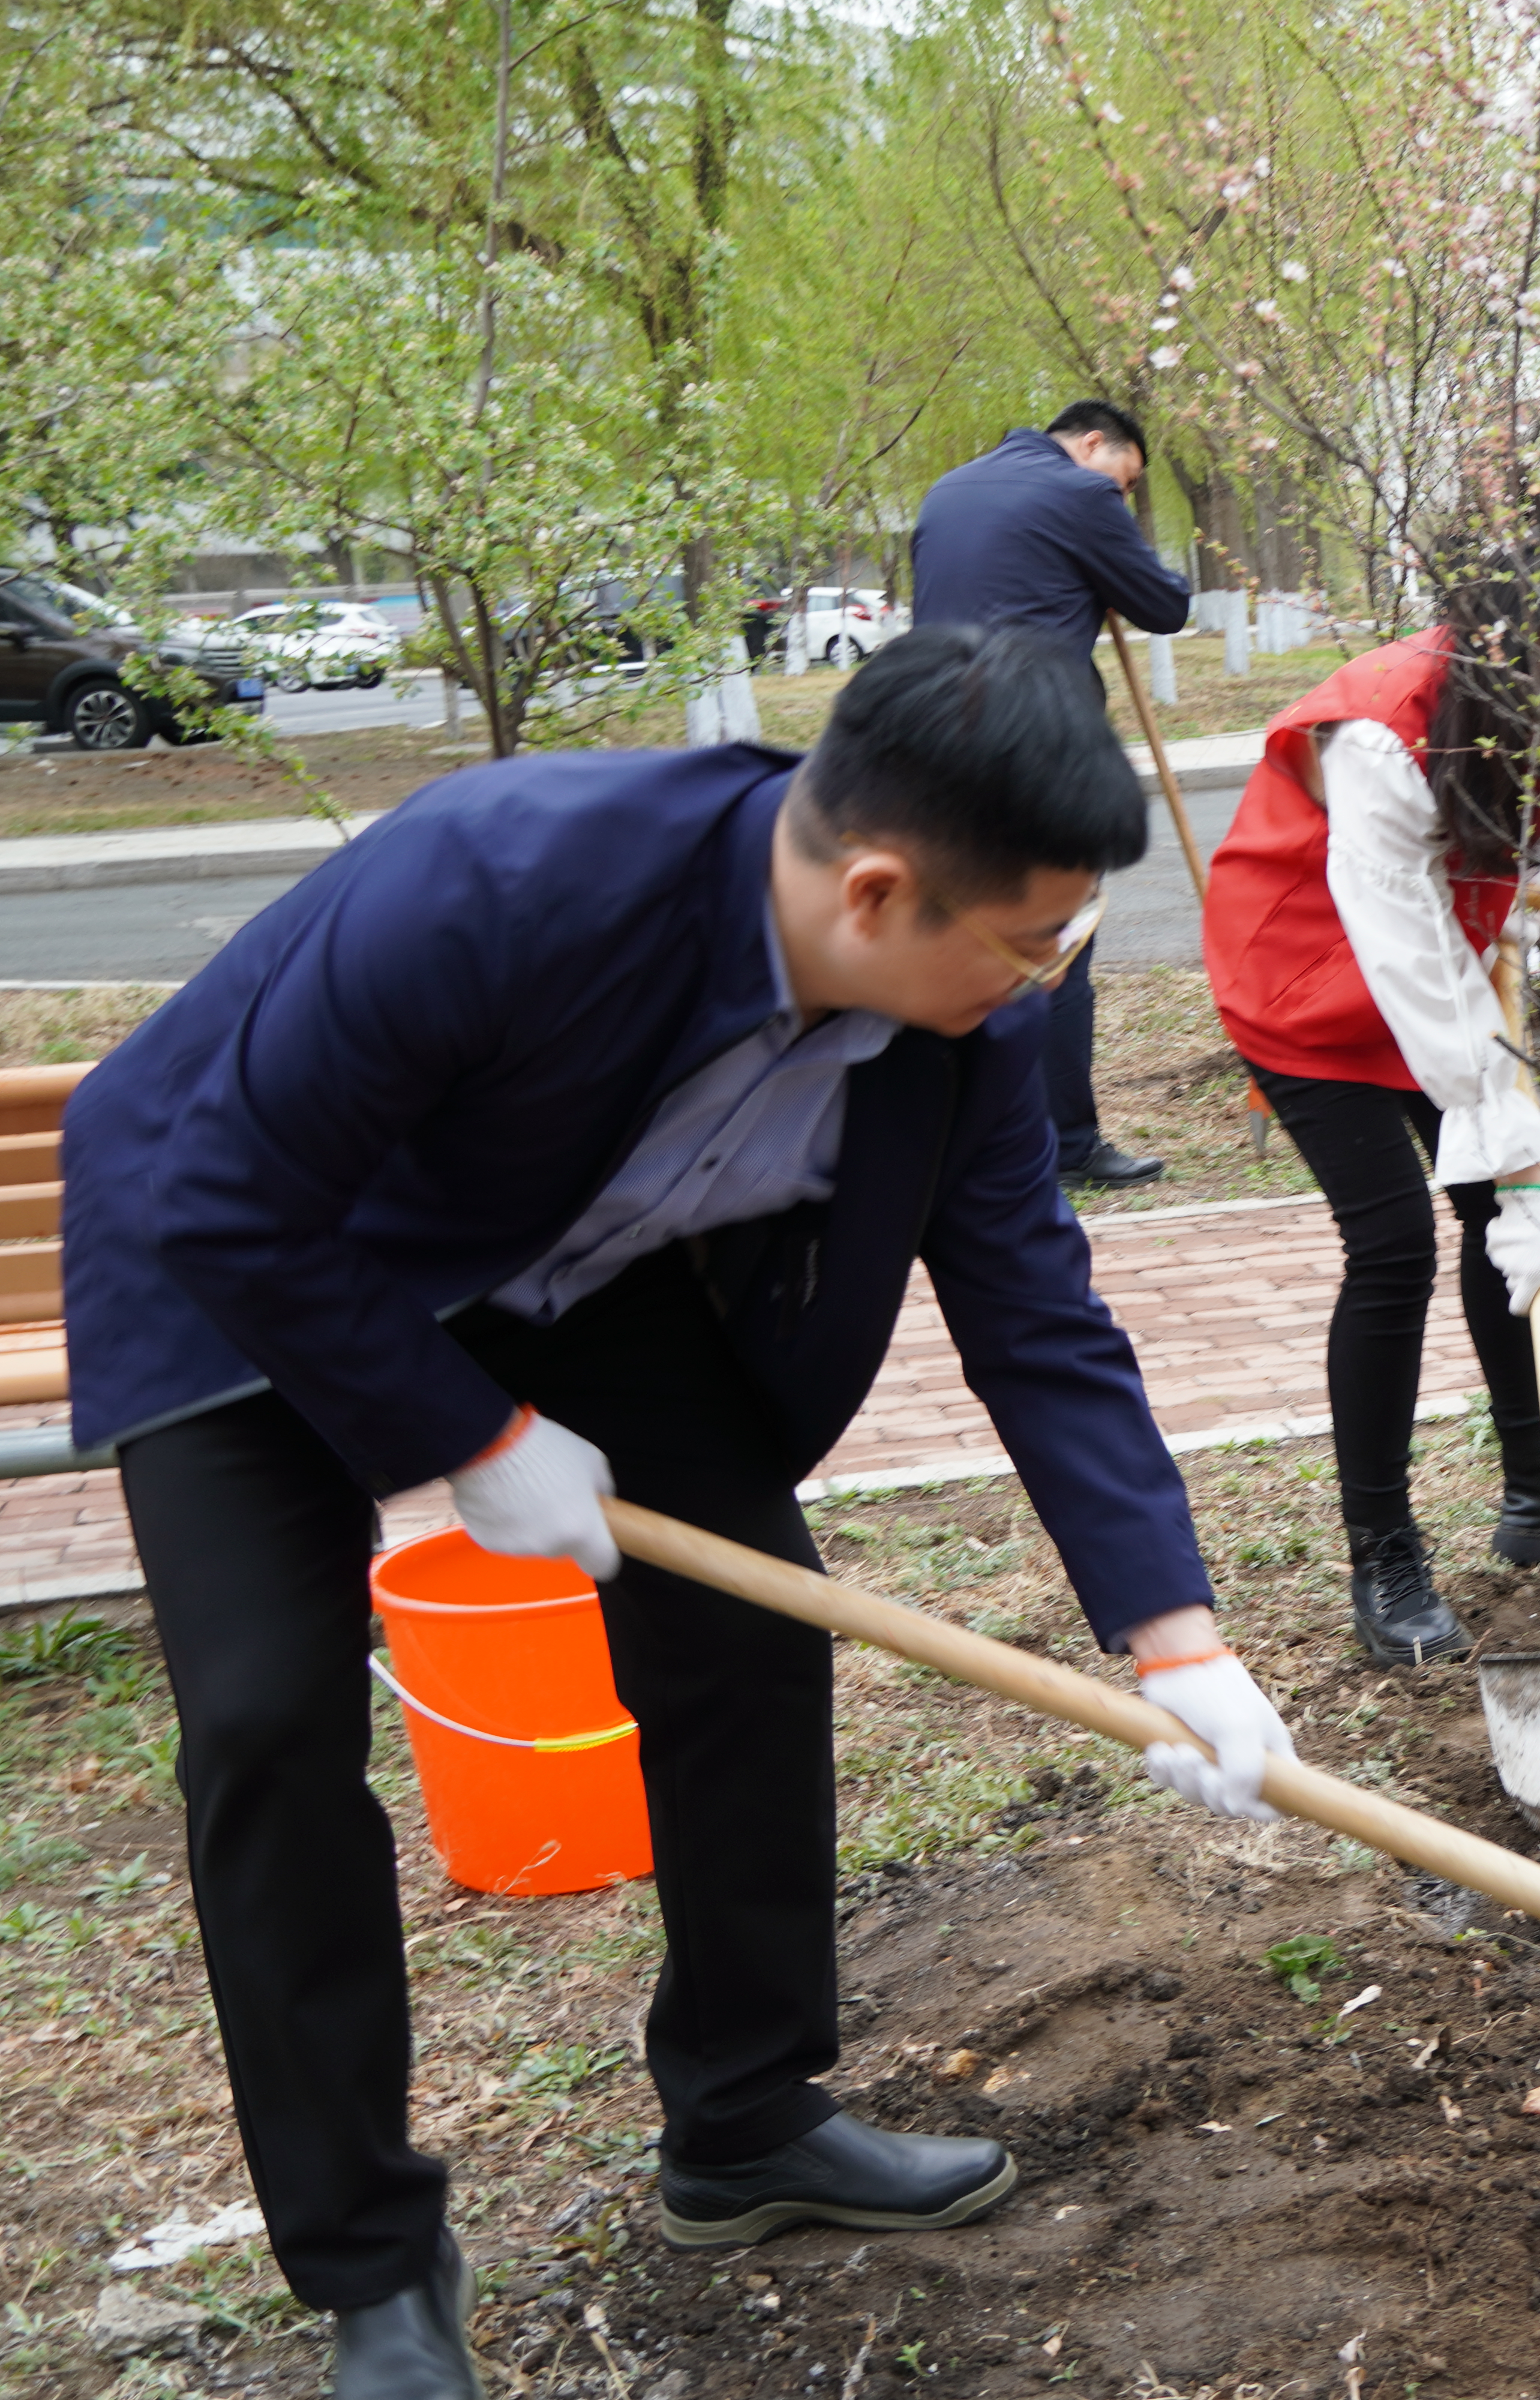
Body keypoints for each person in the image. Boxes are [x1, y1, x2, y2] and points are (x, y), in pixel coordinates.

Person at [62, 625, 1296, 2398]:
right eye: (1036, 940)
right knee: (263, 1723)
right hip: (244, 1247)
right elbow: (225, 1195)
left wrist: (1177, 1634)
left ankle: (742, 2110)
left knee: (749, 1624)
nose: (1050, 979)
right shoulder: (498, 881)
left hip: (568, 1257)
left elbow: (1034, 1302)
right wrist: (466, 1430)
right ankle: (375, 2269)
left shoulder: (954, 1028)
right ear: (878, 891)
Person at [1204, 553, 1540, 1665]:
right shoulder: (1384, 732)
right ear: (1505, 664)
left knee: (1500, 1221)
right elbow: (1399, 942)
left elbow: (1457, 905)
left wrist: (1516, 913)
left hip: (1433, 975)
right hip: (1301, 979)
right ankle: (1383, 1553)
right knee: (1392, 1246)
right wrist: (1497, 1112)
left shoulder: (1527, 712)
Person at [909, 398, 1196, 1191]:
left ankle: (955, 1136)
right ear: (1094, 444)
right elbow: (1165, 605)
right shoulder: (1081, 494)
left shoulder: (949, 490)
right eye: (1129, 480)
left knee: (963, 937)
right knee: (1059, 941)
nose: (1127, 497)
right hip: (1034, 745)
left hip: (932, 743)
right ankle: (1066, 1142)